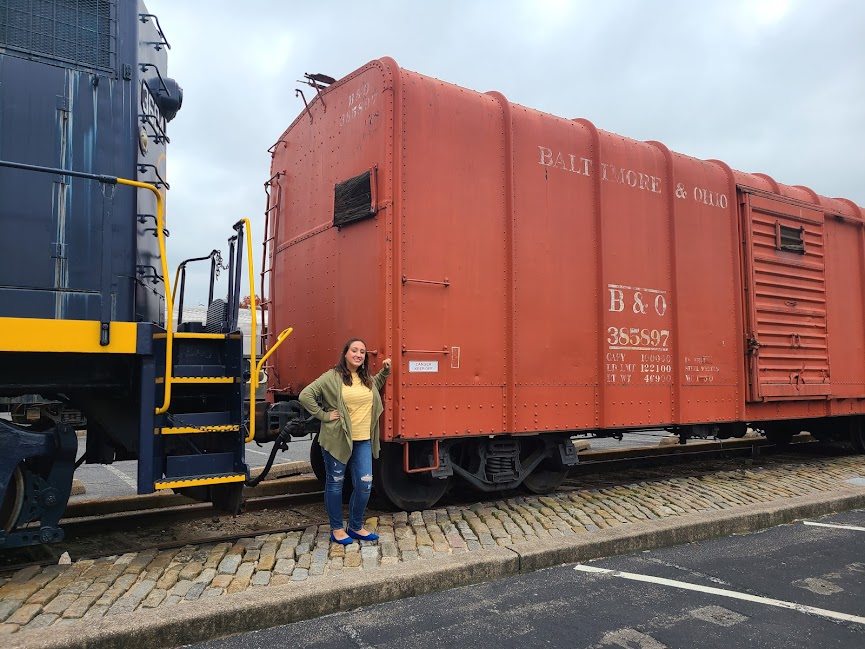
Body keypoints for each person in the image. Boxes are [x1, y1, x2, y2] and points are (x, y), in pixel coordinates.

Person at [298, 338, 391, 545]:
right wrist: (323, 415)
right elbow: (306, 395)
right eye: (354, 350)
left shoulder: (366, 378)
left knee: (365, 484)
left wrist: (384, 372)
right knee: (335, 483)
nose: (358, 354)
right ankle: (337, 528)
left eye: (362, 352)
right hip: (337, 439)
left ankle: (356, 526)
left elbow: (374, 386)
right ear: (346, 353)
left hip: (363, 440)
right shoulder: (332, 376)